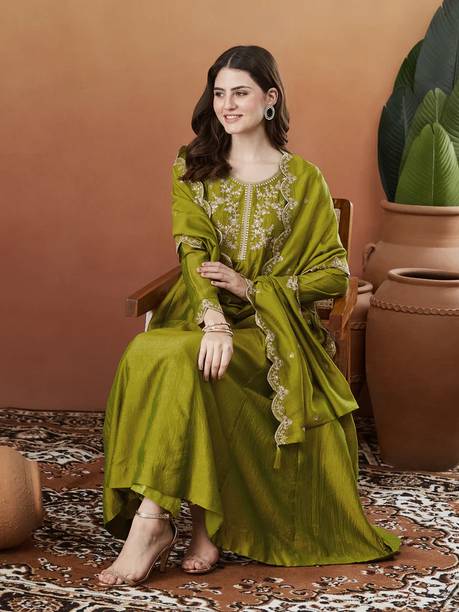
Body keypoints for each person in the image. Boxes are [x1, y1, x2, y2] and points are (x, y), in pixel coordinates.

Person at [97, 45, 401, 587]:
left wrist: (252, 287)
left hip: (274, 330)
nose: (228, 105)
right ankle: (176, 521)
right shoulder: (193, 167)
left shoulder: (304, 179)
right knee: (155, 350)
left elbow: (333, 275)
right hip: (201, 315)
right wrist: (213, 321)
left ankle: (161, 523)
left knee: (185, 363)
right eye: (219, 93)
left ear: (270, 98)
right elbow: (193, 252)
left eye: (241, 92)